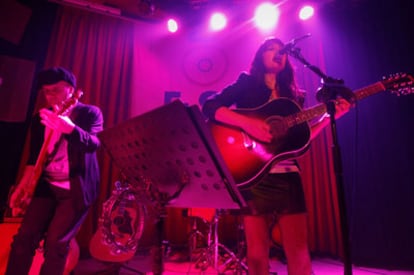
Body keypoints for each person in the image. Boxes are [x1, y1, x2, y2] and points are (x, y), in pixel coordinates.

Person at [202, 38, 351, 275]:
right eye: (270, 49)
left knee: (299, 251)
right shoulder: (246, 82)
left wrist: (325, 120)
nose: (278, 53)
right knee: (257, 254)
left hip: (288, 176)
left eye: (281, 50)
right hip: (254, 177)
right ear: (260, 56)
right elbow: (209, 106)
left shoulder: (295, 96)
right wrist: (247, 124)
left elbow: (299, 140)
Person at [6, 67, 103, 275]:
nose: (50, 96)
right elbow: (33, 160)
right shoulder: (40, 118)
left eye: (56, 90)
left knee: (56, 244)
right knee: (24, 239)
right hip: (47, 186)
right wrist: (21, 188)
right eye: (47, 91)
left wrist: (70, 129)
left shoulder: (89, 113)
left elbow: (94, 144)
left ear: (70, 90)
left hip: (75, 188)